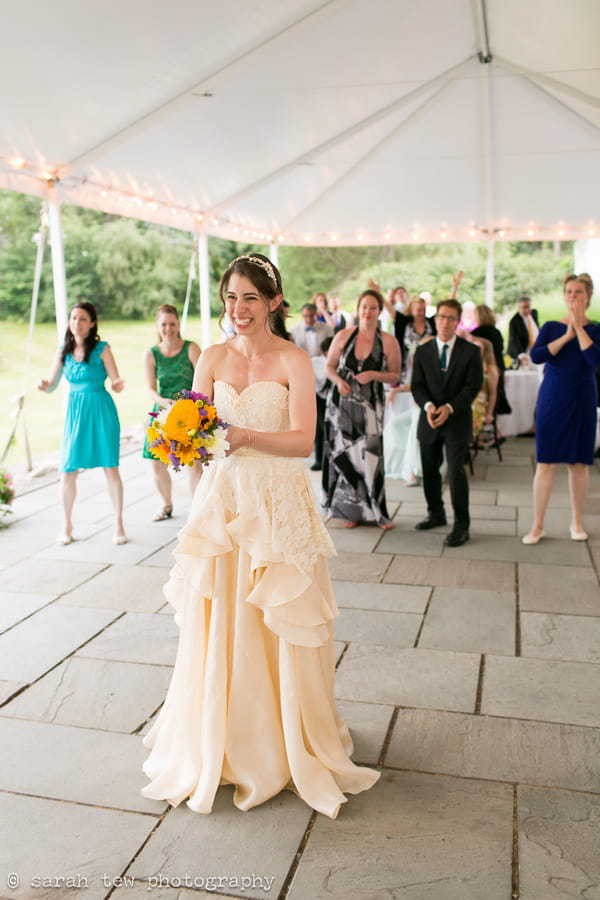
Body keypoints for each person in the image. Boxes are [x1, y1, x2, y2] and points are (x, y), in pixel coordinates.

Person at [141, 253, 379, 818]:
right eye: (230, 298)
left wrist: (244, 434)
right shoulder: (214, 356)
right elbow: (195, 423)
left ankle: (287, 740)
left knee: (280, 619)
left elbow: (302, 442)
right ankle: (224, 742)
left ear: (273, 301)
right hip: (224, 501)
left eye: (250, 298)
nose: (238, 309)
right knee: (225, 618)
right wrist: (181, 440)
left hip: (278, 500)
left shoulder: (295, 359)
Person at [38, 301, 127, 545]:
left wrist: (118, 383)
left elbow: (115, 379)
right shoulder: (63, 351)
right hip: (76, 413)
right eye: (74, 318)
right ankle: (66, 524)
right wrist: (44, 386)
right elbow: (52, 384)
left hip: (100, 409)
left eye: (83, 318)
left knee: (110, 467)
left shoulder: (102, 348)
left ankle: (118, 523)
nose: (77, 322)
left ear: (92, 323)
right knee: (67, 470)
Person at [522, 273, 600, 544]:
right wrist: (567, 334)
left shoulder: (597, 329)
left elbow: (593, 361)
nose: (572, 296)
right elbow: (537, 356)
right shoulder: (552, 327)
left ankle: (576, 523)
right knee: (545, 464)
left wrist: (578, 329)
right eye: (568, 291)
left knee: (579, 464)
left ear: (587, 296)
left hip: (582, 398)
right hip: (553, 398)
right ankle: (537, 525)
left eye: (577, 292)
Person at [321, 289, 401, 529]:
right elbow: (329, 367)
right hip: (341, 405)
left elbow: (396, 374)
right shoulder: (344, 335)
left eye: (373, 308)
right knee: (345, 456)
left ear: (379, 311)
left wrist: (375, 374)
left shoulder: (388, 340)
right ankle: (350, 511)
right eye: (364, 307)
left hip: (370, 407)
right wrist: (338, 381)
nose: (368, 312)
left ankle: (377, 511)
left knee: (371, 457)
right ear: (358, 309)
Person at [411, 299, 483, 547]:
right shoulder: (422, 351)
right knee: (429, 471)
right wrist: (430, 407)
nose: (445, 322)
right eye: (441, 316)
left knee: (455, 472)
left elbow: (472, 387)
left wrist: (449, 408)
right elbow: (417, 387)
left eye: (451, 318)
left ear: (458, 321)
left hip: (457, 420)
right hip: (429, 419)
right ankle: (436, 513)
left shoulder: (471, 351)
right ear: (436, 319)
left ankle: (462, 525)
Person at [143, 304, 202, 520]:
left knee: (194, 462)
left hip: (190, 409)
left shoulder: (191, 348)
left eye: (172, 324)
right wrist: (161, 401)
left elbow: (204, 379)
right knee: (156, 462)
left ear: (178, 325)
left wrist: (190, 404)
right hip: (163, 410)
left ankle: (197, 510)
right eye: (164, 324)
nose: (168, 328)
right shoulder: (151, 354)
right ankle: (167, 505)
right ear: (158, 327)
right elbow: (150, 388)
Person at [290, 303, 333, 469]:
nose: (309, 319)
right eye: (306, 316)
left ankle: (324, 458)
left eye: (311, 316)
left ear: (316, 315)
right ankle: (315, 455)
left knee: (323, 422)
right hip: (303, 377)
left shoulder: (327, 329)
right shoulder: (295, 330)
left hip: (323, 373)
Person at [471, 304, 511, 418]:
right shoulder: (496, 332)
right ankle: (495, 425)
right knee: (496, 394)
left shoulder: (476, 333)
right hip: (499, 365)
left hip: (486, 367)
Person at [470, 336, 499, 446]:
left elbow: (493, 394)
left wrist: (489, 414)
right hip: (468, 398)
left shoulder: (490, 370)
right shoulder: (468, 365)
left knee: (472, 410)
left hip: (481, 402)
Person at [507, 294, 539, 361]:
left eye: (529, 306)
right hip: (523, 354)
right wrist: (521, 355)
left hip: (535, 352)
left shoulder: (534, 313)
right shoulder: (514, 322)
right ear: (519, 308)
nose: (528, 310)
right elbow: (514, 340)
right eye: (525, 307)